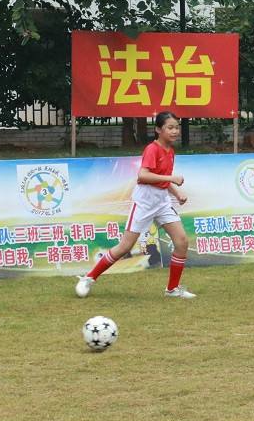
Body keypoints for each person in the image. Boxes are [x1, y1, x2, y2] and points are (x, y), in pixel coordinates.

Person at [75, 111, 195, 299]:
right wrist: (172, 179)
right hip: (144, 202)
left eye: (177, 127)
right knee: (125, 247)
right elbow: (143, 175)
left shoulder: (170, 151)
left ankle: (172, 289)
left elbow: (160, 179)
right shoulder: (152, 149)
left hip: (162, 201)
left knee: (182, 242)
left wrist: (176, 192)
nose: (175, 131)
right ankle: (88, 278)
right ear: (158, 130)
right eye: (170, 127)